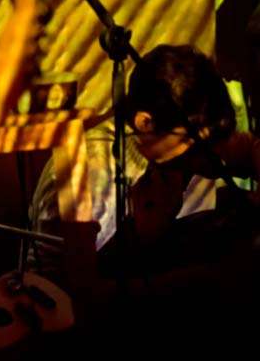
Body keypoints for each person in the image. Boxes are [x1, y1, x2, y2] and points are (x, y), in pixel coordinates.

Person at [27, 44, 260, 353]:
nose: (203, 151)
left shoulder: (167, 144)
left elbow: (242, 147)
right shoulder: (95, 170)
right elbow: (86, 297)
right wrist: (201, 281)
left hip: (138, 278)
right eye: (195, 139)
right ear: (145, 123)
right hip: (67, 315)